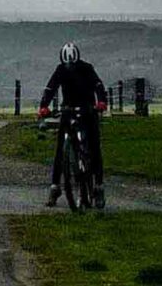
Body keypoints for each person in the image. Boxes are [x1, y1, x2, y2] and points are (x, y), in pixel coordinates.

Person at [35, 42, 107, 206]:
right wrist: (43, 106)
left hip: (88, 110)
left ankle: (98, 187)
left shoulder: (87, 68)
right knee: (60, 150)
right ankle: (55, 187)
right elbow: (50, 88)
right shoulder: (60, 70)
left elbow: (98, 85)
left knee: (94, 148)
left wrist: (101, 102)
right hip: (68, 111)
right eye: (68, 65)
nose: (70, 67)